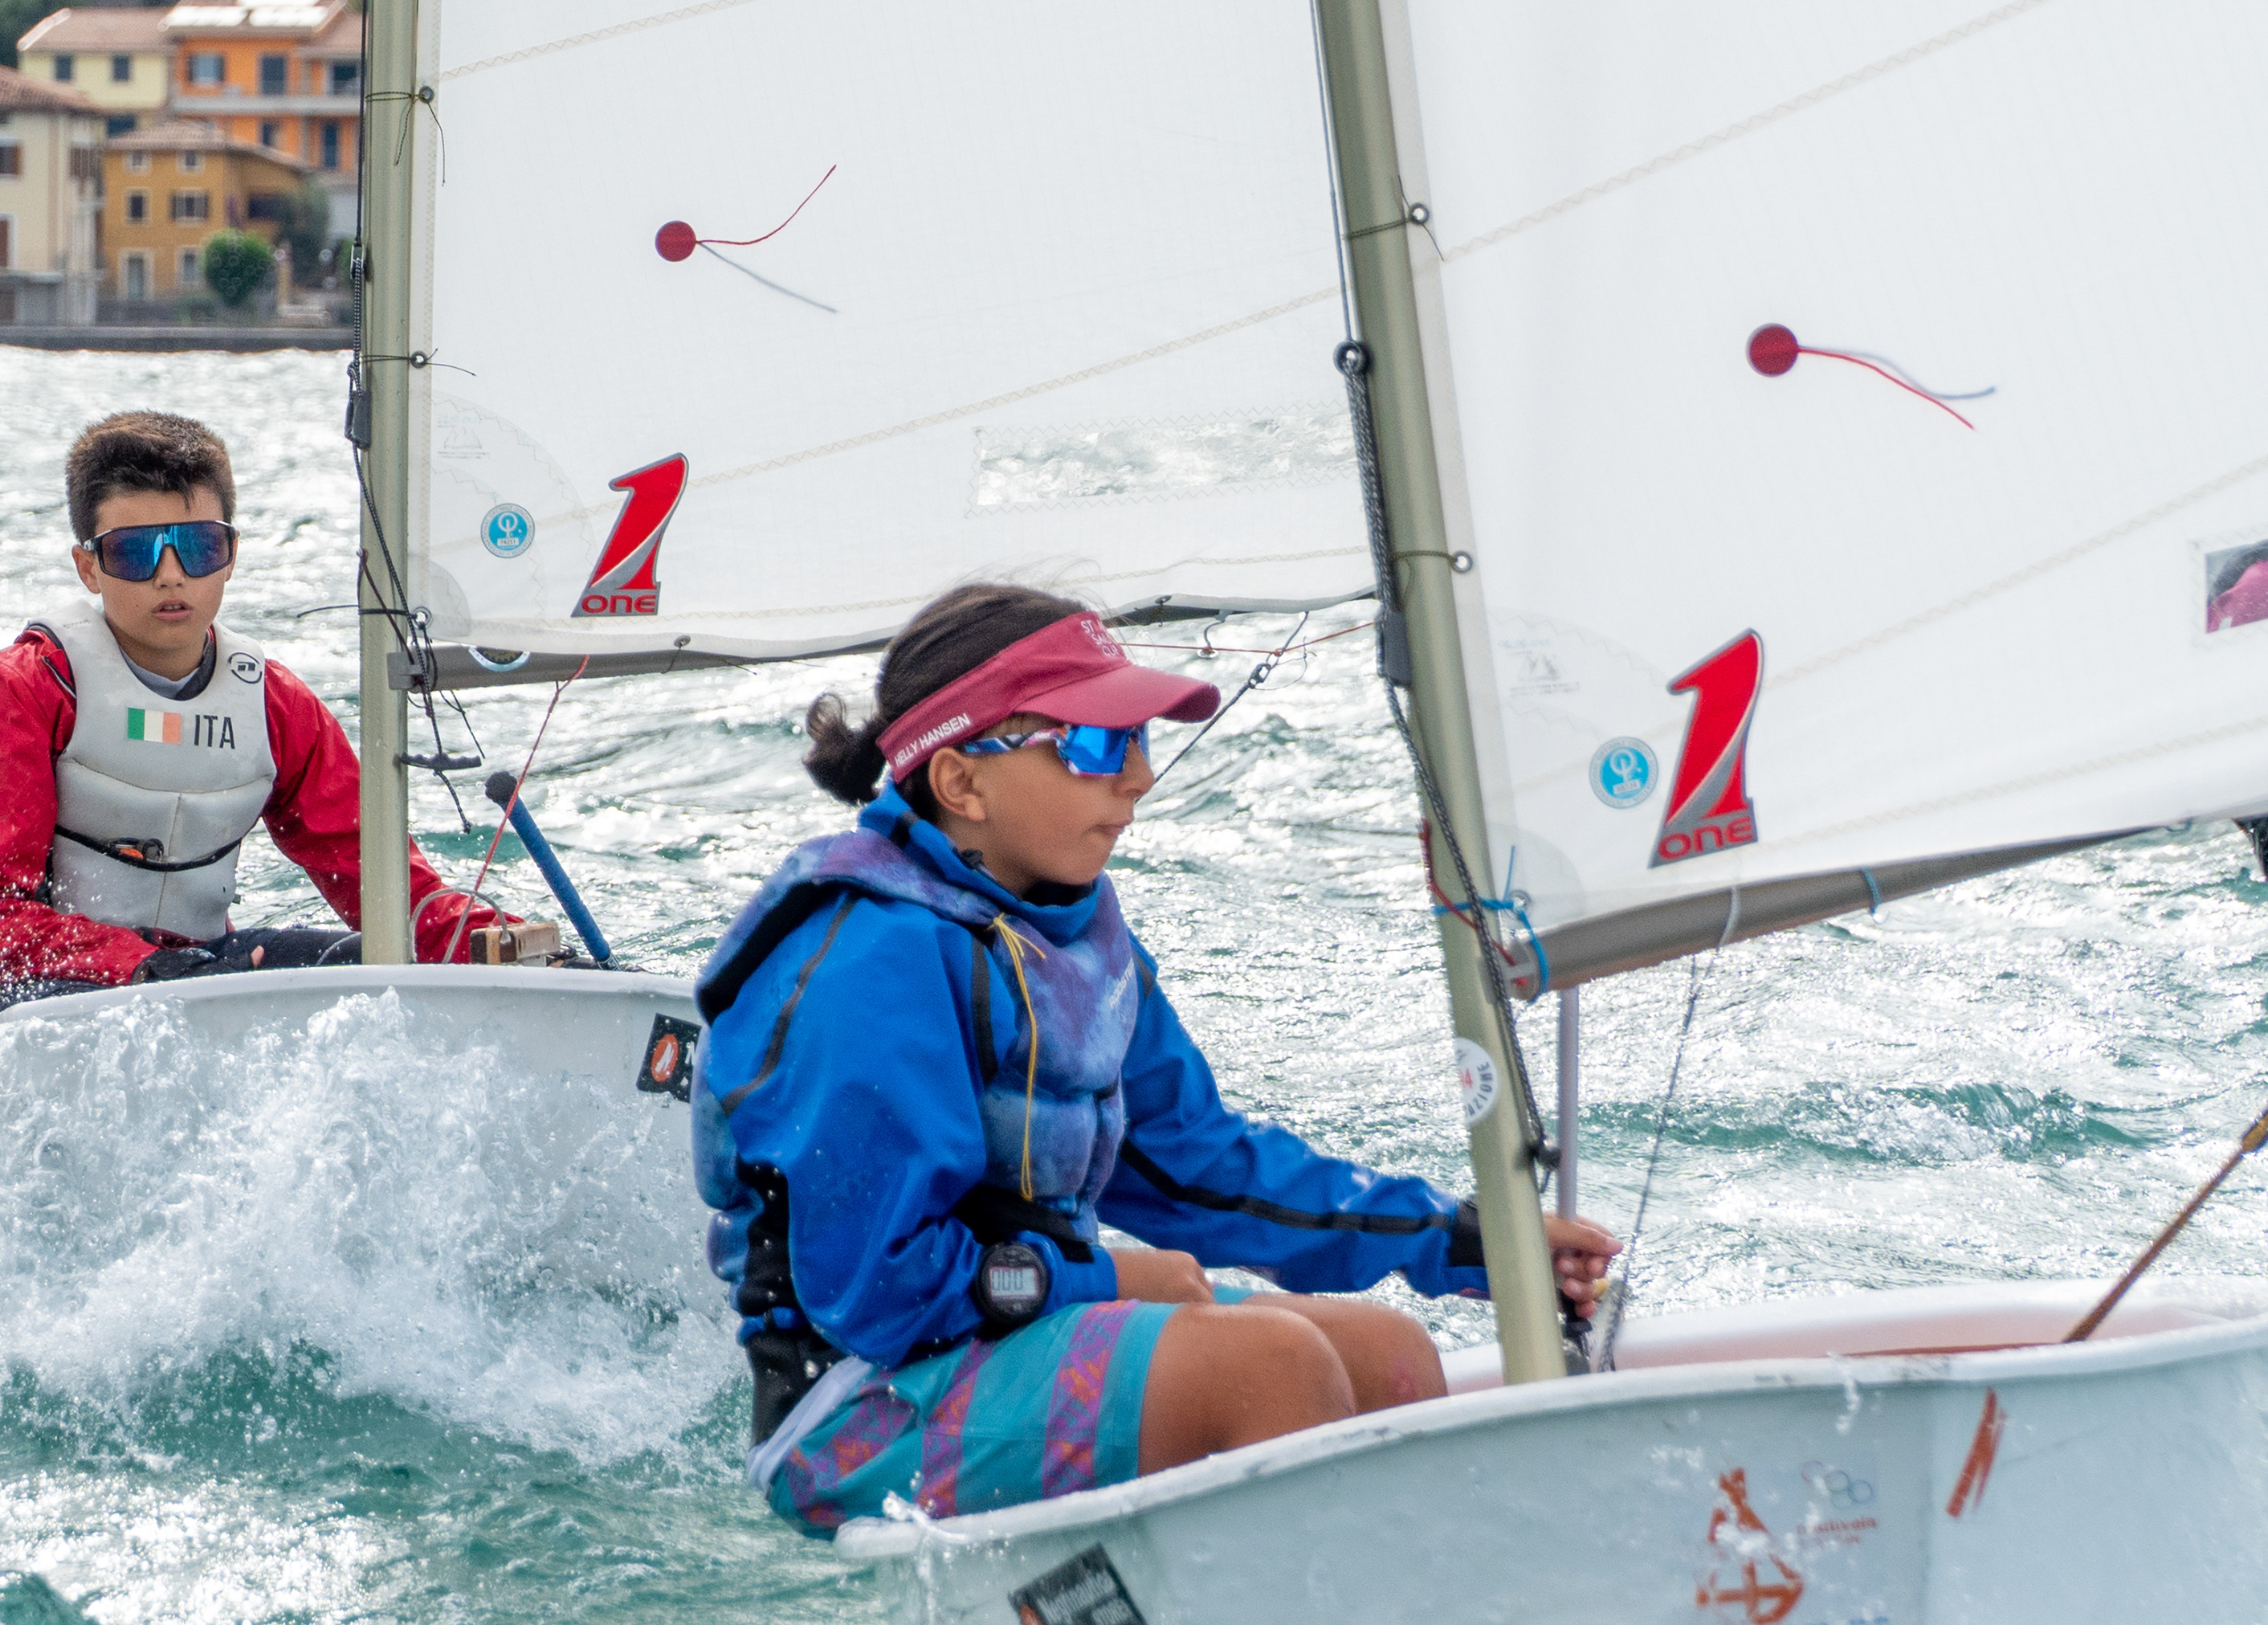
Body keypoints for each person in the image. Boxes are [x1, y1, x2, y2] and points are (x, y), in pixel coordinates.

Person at [691, 582, 1619, 1537]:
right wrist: (1109, 1280)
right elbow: (875, 1292)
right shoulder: (868, 961)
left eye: (1137, 739)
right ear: (963, 782)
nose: (1136, 776)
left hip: (1016, 1334)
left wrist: (1466, 1238)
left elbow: (1201, 1171)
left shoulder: (1070, 934)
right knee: (1272, 1368)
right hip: (852, 1409)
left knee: (1390, 1357)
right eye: (1095, 745)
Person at [0, 410, 510, 1019]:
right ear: (88, 568)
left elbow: (390, 891)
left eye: (199, 546)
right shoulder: (30, 686)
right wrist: (139, 966)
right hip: (49, 990)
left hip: (198, 969)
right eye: (135, 552)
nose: (170, 575)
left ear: (230, 555)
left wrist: (505, 948)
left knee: (383, 967)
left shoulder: (275, 704)